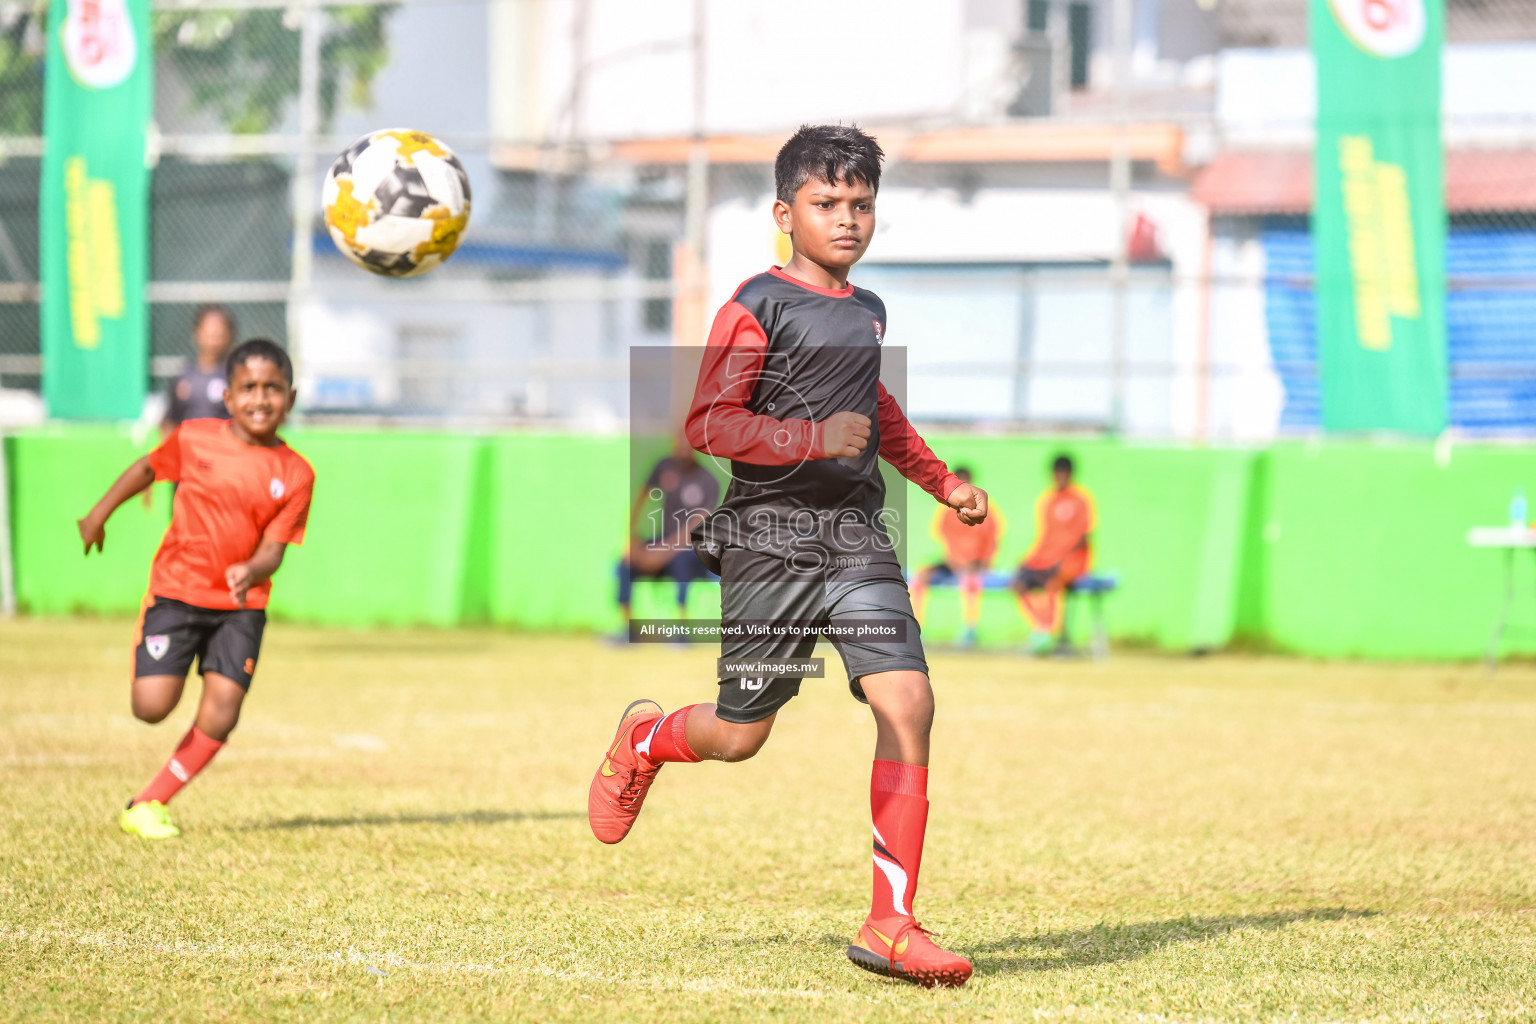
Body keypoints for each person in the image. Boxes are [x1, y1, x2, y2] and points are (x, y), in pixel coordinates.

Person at [585, 125, 988, 988]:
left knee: (908, 700)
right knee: (740, 735)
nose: (847, 219)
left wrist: (940, 479)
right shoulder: (754, 305)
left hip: (855, 542)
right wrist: (808, 434)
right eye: (826, 203)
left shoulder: (867, 310)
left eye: (861, 204)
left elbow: (875, 410)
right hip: (769, 542)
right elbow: (705, 424)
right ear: (784, 212)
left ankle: (891, 923)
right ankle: (647, 737)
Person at [77, 339, 314, 840]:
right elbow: (146, 468)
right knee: (151, 707)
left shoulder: (296, 473)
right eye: (248, 387)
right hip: (177, 592)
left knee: (223, 709)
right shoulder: (194, 438)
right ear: (227, 398)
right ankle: (160, 655)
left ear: (290, 399)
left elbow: (275, 550)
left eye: (273, 388)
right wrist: (99, 514)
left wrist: (251, 569)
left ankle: (148, 803)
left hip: (240, 605)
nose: (260, 398)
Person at [618, 437, 720, 623]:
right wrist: (632, 539)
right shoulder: (664, 466)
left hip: (688, 548)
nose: (682, 448)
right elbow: (641, 498)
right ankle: (627, 628)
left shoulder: (708, 481)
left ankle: (681, 630)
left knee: (682, 564)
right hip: (663, 542)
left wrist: (661, 553)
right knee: (626, 562)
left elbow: (695, 529)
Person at [910, 466, 1003, 647]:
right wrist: (953, 561)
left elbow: (993, 542)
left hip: (975, 566)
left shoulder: (984, 510)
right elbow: (946, 540)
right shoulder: (948, 512)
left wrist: (982, 564)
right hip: (953, 564)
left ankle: (970, 629)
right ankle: (917, 627)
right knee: (919, 576)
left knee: (969, 581)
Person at [1014, 454, 1095, 652]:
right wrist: (1030, 559)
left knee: (1054, 583)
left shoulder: (1080, 500)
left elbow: (1083, 537)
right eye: (1056, 474)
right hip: (1048, 560)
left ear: (1070, 475)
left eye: (1063, 474)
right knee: (1019, 583)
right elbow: (1045, 537)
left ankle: (1048, 630)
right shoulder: (1048, 501)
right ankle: (1044, 626)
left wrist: (1061, 557)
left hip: (1072, 561)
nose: (1059, 478)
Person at [164, 305, 237, 431]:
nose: (214, 339)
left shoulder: (236, 376)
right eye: (209, 332)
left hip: (222, 449)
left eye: (219, 333)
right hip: (188, 449)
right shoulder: (183, 376)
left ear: (230, 336)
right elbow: (170, 420)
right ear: (196, 334)